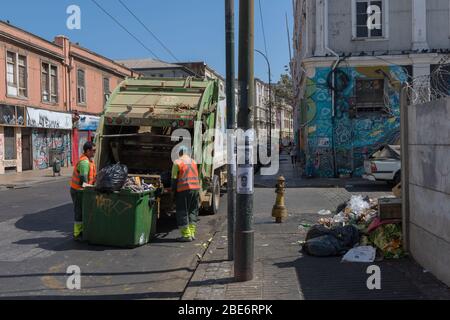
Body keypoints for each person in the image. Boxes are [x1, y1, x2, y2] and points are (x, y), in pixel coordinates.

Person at [171, 146, 200, 242]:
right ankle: (192, 233)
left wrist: (173, 191)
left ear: (179, 153)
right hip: (195, 189)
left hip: (184, 189)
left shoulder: (177, 162)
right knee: (192, 211)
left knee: (182, 211)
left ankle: (186, 235)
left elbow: (174, 179)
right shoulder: (193, 162)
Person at [70, 142, 97, 241]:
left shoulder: (89, 160)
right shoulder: (84, 162)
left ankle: (83, 231)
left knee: (83, 210)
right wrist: (89, 189)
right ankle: (77, 234)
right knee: (79, 211)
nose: (95, 152)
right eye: (93, 150)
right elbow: (83, 180)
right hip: (78, 191)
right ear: (87, 151)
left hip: (80, 190)